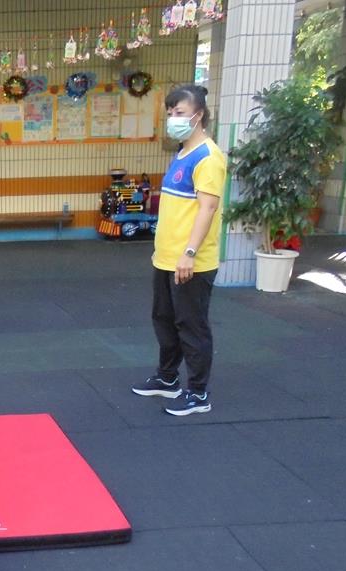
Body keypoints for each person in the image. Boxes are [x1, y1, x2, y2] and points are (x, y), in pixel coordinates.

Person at [131, 84, 225, 416]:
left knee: (192, 325)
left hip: (191, 261)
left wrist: (189, 253)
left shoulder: (209, 157)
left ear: (199, 115)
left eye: (180, 113)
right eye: (170, 113)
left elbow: (207, 208)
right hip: (166, 257)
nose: (174, 119)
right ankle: (168, 378)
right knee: (165, 320)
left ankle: (198, 393)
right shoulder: (183, 153)